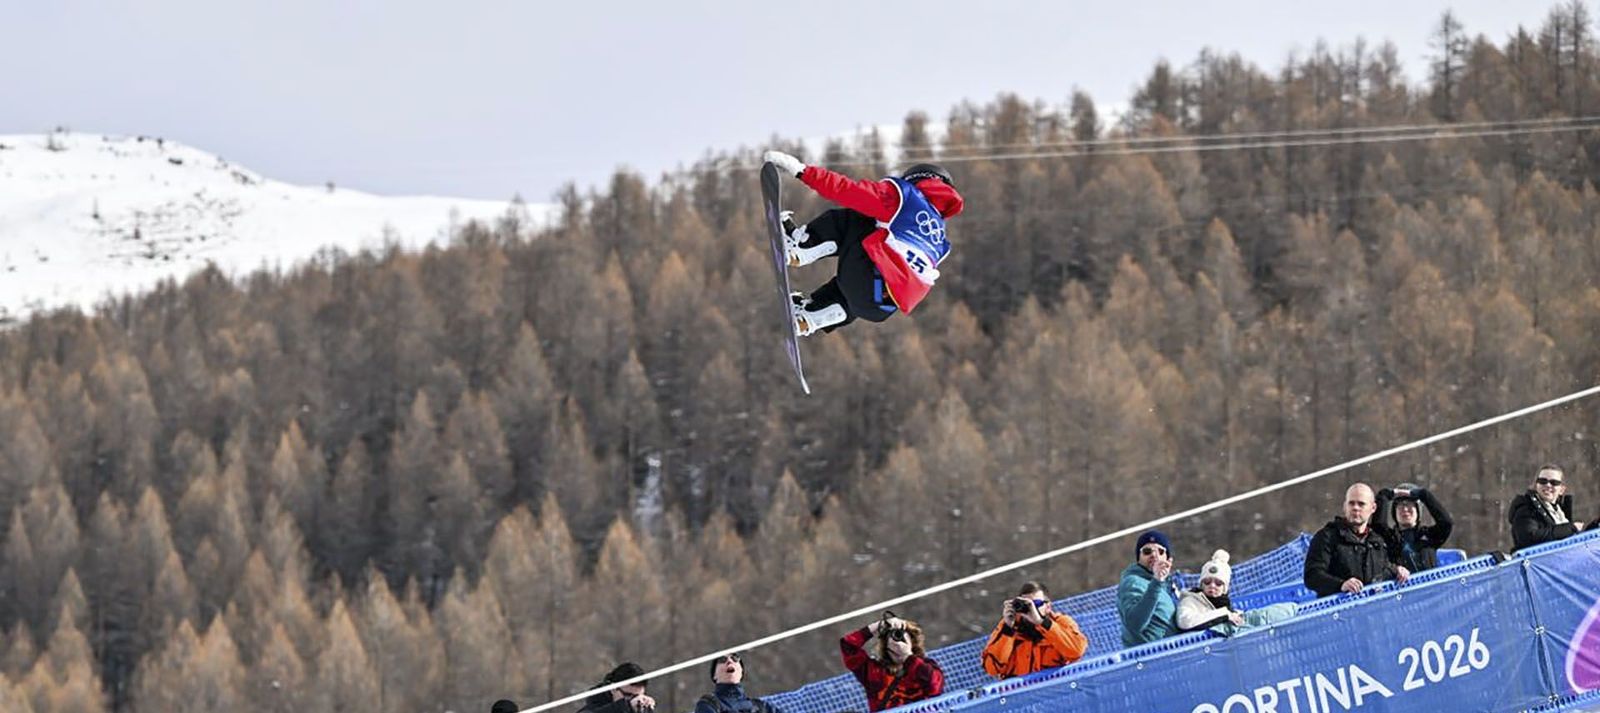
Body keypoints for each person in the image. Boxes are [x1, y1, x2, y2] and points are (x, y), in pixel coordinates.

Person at [761, 150, 966, 336]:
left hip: (865, 281)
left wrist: (803, 172)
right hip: (879, 307)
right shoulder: (940, 239)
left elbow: (849, 191)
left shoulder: (905, 197)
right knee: (877, 264)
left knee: (860, 218)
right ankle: (814, 314)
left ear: (914, 179)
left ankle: (802, 246)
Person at [1303, 483, 1410, 597]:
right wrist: (1340, 585)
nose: (1355, 508)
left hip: (1371, 609)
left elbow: (1382, 570)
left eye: (1361, 504)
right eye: (1351, 503)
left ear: (1373, 508)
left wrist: (1397, 570)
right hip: (1338, 610)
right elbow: (1312, 575)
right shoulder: (1327, 537)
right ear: (1345, 506)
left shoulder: (1376, 541)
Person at [980, 581, 1088, 678]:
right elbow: (991, 668)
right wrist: (1008, 629)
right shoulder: (1009, 627)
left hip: (1055, 692)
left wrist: (1042, 623)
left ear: (1048, 606)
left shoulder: (1061, 623)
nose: (1032, 609)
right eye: (1027, 605)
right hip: (1020, 695)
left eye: (1036, 604)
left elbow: (1076, 651)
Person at [1176, 550, 1297, 635]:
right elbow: (1185, 622)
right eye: (1207, 582)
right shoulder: (1189, 601)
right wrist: (1224, 615)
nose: (1212, 586)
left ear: (1225, 588)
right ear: (1201, 584)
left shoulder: (1224, 605)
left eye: (1218, 583)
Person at [840, 612, 944, 711]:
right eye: (893, 636)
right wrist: (878, 626)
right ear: (885, 644)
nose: (898, 640)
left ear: (912, 641)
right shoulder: (874, 672)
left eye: (902, 635)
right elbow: (848, 646)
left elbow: (934, 685)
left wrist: (907, 656)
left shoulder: (926, 666)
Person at [1118, 530, 1182, 646]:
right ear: (1138, 558)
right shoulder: (1133, 582)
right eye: (1147, 552)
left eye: (1160, 551)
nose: (1154, 555)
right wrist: (1156, 581)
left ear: (1169, 560)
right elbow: (1135, 623)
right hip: (1150, 658)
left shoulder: (1167, 585)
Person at [1508, 464, 1587, 553]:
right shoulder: (1526, 508)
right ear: (1536, 485)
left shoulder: (1560, 512)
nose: (1548, 485)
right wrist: (1569, 528)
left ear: (1562, 490)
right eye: (1543, 481)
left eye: (1554, 483)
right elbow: (1529, 538)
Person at [1375, 482, 1453, 572]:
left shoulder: (1429, 536)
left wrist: (1423, 494)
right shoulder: (1389, 538)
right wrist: (1386, 494)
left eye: (1410, 504)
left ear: (1417, 511)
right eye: (1400, 505)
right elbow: (1378, 525)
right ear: (1394, 513)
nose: (1405, 509)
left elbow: (1446, 523)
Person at [695, 653, 776, 713]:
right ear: (714, 676)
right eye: (722, 660)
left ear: (741, 672)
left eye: (735, 658)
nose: (729, 661)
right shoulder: (708, 704)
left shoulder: (761, 707)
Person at [578, 663, 655, 713]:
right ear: (613, 689)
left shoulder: (641, 707)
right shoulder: (595, 705)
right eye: (628, 695)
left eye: (638, 696)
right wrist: (625, 706)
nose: (634, 700)